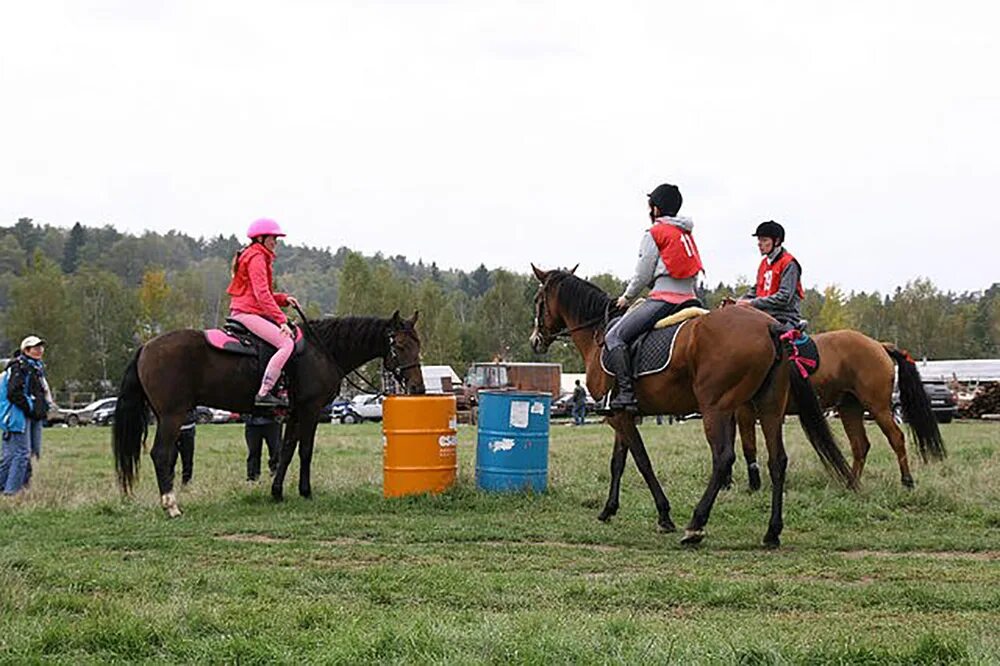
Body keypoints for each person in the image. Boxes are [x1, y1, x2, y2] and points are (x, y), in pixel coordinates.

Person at [605, 183, 704, 412]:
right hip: (691, 298)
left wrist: (626, 298)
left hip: (665, 299)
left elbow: (643, 273)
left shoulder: (655, 233)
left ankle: (627, 394)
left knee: (615, 336)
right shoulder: (685, 233)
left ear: (656, 209)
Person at [226, 218, 301, 407]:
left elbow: (260, 294)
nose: (276, 241)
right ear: (260, 238)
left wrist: (284, 299)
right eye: (273, 237)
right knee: (286, 343)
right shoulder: (257, 257)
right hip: (247, 312)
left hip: (247, 309)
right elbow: (261, 295)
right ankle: (264, 392)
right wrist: (281, 320)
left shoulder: (254, 255)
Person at [0, 336, 51, 496]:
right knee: (21, 454)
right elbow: (14, 393)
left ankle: (13, 487)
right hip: (17, 416)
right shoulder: (19, 367)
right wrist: (31, 407)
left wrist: (43, 407)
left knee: (18, 454)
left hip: (31, 416)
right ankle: (12, 492)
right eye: (34, 348)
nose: (39, 350)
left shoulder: (36, 368)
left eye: (40, 347)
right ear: (26, 350)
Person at [738, 220, 804, 328]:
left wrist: (752, 303)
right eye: (759, 240)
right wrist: (738, 302)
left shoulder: (789, 264)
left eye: (764, 240)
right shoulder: (764, 263)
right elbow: (756, 290)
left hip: (784, 318)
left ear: (776, 241)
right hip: (763, 315)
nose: (759, 244)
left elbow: (784, 297)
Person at [244, 410, 281, 481]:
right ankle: (252, 476)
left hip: (272, 422)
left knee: (275, 450)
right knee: (253, 451)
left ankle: (277, 474)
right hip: (252, 424)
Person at [175, 409, 197, 485]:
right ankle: (169, 481)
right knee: (170, 458)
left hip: (188, 427)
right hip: (172, 429)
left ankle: (187, 481)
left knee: (188, 458)